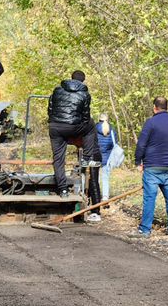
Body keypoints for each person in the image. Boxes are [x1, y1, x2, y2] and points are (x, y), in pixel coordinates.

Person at [48, 70, 102, 222]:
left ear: (71, 79)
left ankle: (63, 190)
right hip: (74, 126)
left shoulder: (57, 89)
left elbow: (50, 109)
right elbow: (85, 115)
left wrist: (53, 122)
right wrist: (79, 125)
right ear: (83, 81)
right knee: (91, 125)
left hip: (56, 126)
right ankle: (86, 158)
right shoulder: (85, 93)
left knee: (58, 158)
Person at [132, 97, 168, 238]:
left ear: (155, 107)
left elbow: (141, 144)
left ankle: (145, 230)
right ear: (166, 107)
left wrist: (138, 162)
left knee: (150, 198)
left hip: (152, 167)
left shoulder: (151, 123)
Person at [96, 112, 117, 202]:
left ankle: (95, 195)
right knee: (105, 177)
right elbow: (114, 143)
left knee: (94, 177)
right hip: (107, 157)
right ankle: (105, 197)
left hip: (95, 156)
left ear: (99, 119)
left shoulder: (94, 128)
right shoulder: (111, 129)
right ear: (107, 119)